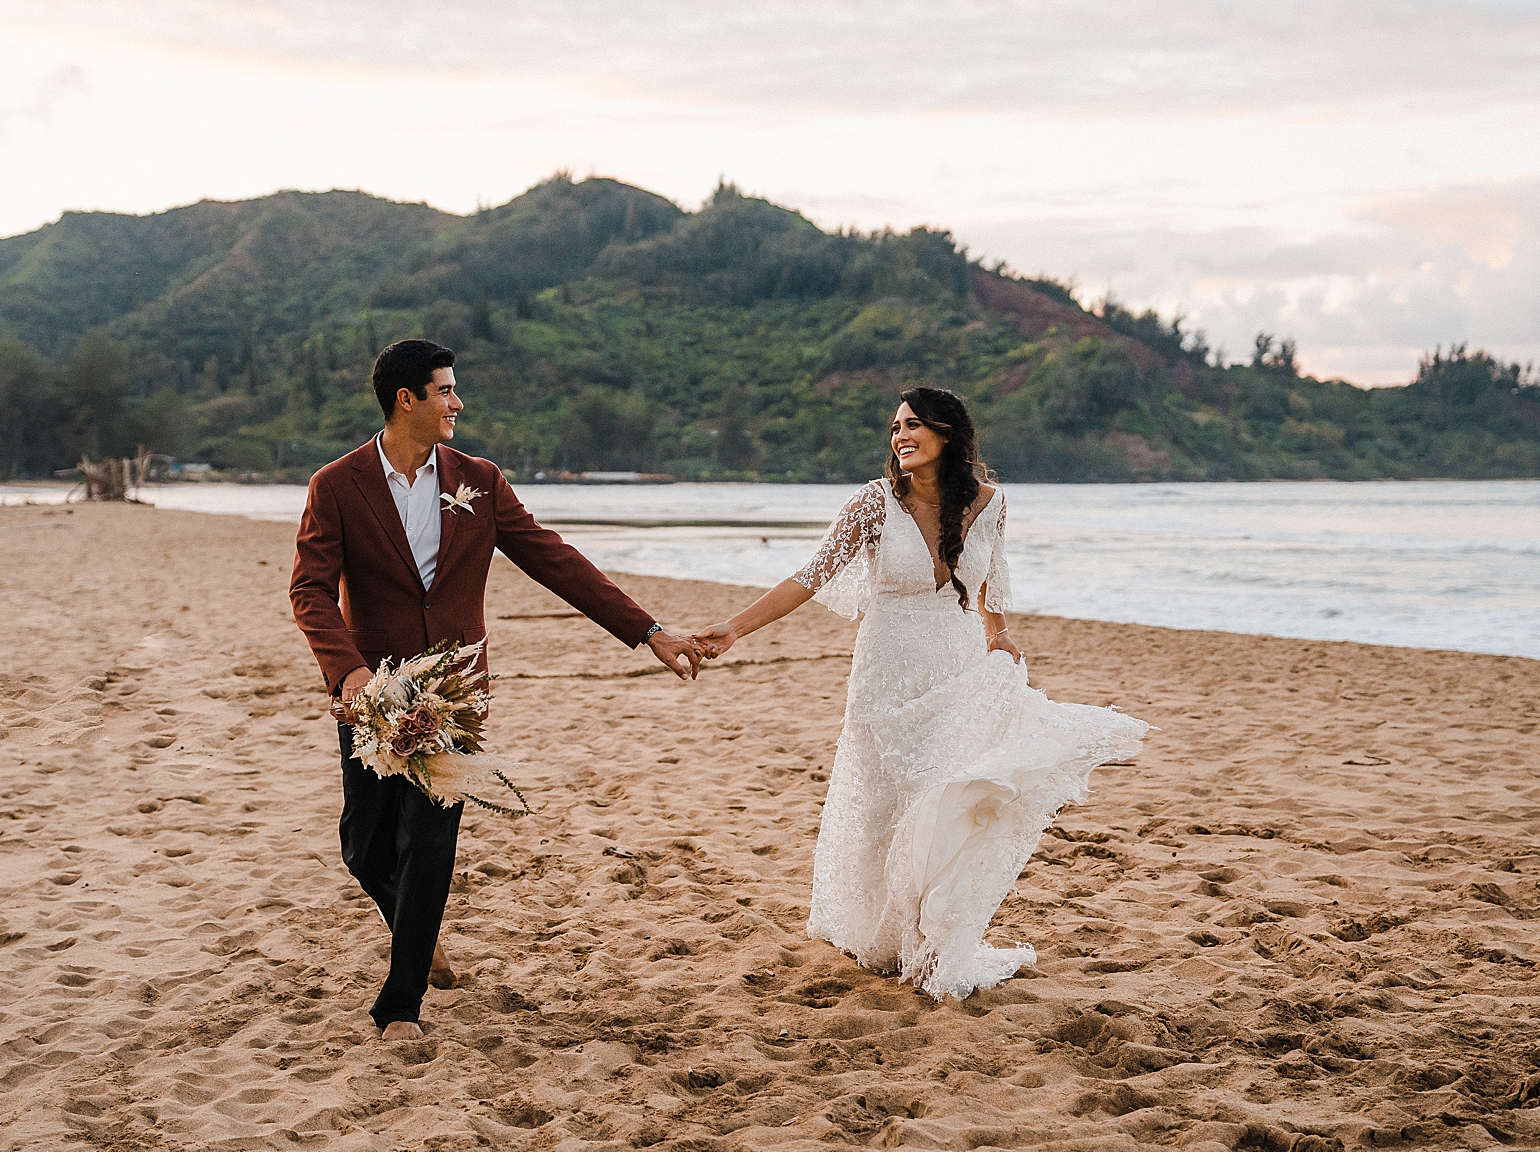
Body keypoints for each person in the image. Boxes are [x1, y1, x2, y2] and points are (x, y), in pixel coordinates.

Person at [290, 339, 705, 1039]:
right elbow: (309, 590)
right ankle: (418, 931)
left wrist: (650, 631)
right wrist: (350, 671)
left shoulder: (480, 480)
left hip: (453, 697)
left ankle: (400, 1004)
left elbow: (555, 560)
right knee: (363, 847)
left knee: (430, 840)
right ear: (407, 400)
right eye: (446, 391)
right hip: (372, 695)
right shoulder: (336, 485)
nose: (458, 403)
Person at [692, 386, 1148, 998]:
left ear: (948, 434)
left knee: (949, 795)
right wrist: (735, 628)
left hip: (959, 668)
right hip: (886, 675)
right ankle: (888, 933)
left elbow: (990, 580)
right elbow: (809, 576)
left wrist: (999, 634)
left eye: (913, 425)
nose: (899, 437)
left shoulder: (991, 503)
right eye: (894, 428)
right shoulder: (874, 505)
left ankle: (936, 939)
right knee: (887, 807)